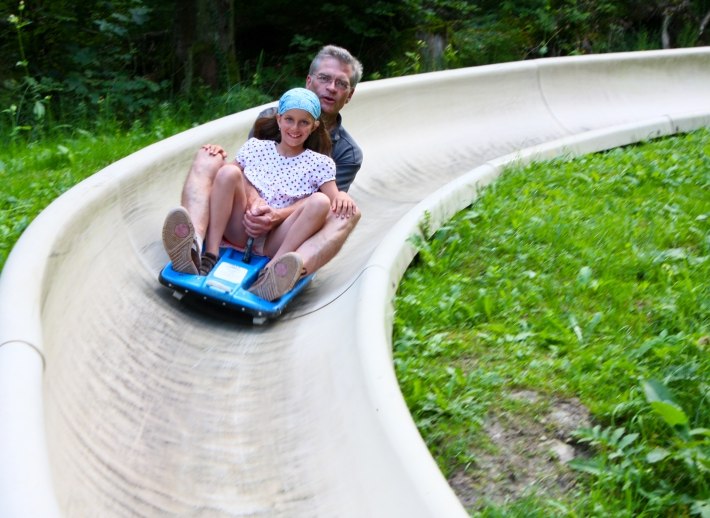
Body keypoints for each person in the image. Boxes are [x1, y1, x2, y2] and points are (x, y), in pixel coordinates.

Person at [162, 45, 363, 285]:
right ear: (309, 82)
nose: (331, 88)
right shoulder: (269, 119)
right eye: (324, 78)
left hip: (288, 227)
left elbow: (327, 207)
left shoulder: (346, 154)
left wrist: (277, 216)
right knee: (210, 157)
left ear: (349, 95)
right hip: (246, 214)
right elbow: (247, 172)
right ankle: (192, 246)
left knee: (349, 213)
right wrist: (255, 203)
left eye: (341, 83)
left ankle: (282, 271)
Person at [198, 87, 356, 300]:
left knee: (319, 201)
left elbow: (331, 196)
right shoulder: (255, 148)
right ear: (279, 119)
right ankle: (211, 252)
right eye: (289, 119)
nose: (295, 128)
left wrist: (342, 196)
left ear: (314, 126)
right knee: (228, 172)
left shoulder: (320, 163)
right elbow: (230, 176)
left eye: (304, 122)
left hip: (276, 238)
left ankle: (273, 270)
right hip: (243, 225)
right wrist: (218, 154)